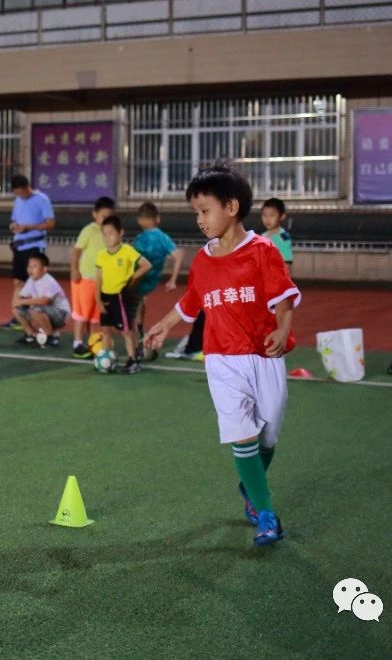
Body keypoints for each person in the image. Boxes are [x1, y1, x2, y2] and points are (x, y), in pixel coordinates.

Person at [144, 164, 301, 548]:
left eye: (204, 210)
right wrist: (165, 324)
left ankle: (251, 485)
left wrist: (282, 329)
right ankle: (267, 515)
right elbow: (192, 301)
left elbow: (283, 296)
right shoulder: (202, 260)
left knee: (268, 436)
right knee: (241, 433)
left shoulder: (263, 252)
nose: (199, 220)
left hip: (264, 355)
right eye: (196, 212)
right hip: (222, 358)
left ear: (231, 207)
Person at [94, 215, 150, 373]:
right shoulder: (101, 255)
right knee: (105, 330)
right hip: (105, 298)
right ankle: (106, 356)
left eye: (110, 233)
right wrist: (98, 300)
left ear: (120, 233)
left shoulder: (127, 251)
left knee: (126, 331)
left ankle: (133, 360)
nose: (107, 237)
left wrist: (130, 278)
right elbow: (98, 280)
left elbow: (146, 265)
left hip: (119, 297)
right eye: (104, 234)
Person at [0, 174, 55, 330]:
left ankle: (41, 317)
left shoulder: (42, 199)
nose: (19, 196)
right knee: (18, 281)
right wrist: (13, 226)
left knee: (35, 282)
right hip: (19, 246)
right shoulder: (18, 201)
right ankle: (19, 316)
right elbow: (15, 220)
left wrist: (29, 227)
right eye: (16, 193)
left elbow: (50, 223)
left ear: (27, 187)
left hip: (34, 245)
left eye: (21, 193)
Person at [131, 202, 183, 360]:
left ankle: (138, 343)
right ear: (157, 219)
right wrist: (173, 279)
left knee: (131, 311)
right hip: (150, 281)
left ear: (139, 220)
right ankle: (139, 334)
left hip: (135, 280)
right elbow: (178, 255)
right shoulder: (162, 238)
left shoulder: (139, 238)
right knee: (139, 304)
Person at [69, 196, 116, 358]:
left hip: (101, 282)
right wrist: (74, 270)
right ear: (94, 214)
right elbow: (76, 251)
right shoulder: (89, 230)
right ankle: (77, 343)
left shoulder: (111, 232)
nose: (106, 219)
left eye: (109, 216)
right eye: (103, 215)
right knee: (83, 313)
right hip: (85, 279)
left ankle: (93, 343)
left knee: (97, 316)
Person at [11, 253, 71, 348]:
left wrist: (23, 302)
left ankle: (51, 338)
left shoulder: (49, 281)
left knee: (35, 310)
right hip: (45, 311)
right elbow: (22, 297)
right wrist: (18, 298)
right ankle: (31, 335)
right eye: (29, 266)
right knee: (16, 309)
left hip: (61, 314)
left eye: (34, 266)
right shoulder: (31, 280)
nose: (30, 269)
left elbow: (45, 301)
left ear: (44, 269)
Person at [260, 197, 293, 270]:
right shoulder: (263, 236)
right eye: (264, 215)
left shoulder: (284, 237)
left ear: (282, 216)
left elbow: (287, 263)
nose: (267, 219)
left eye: (272, 215)